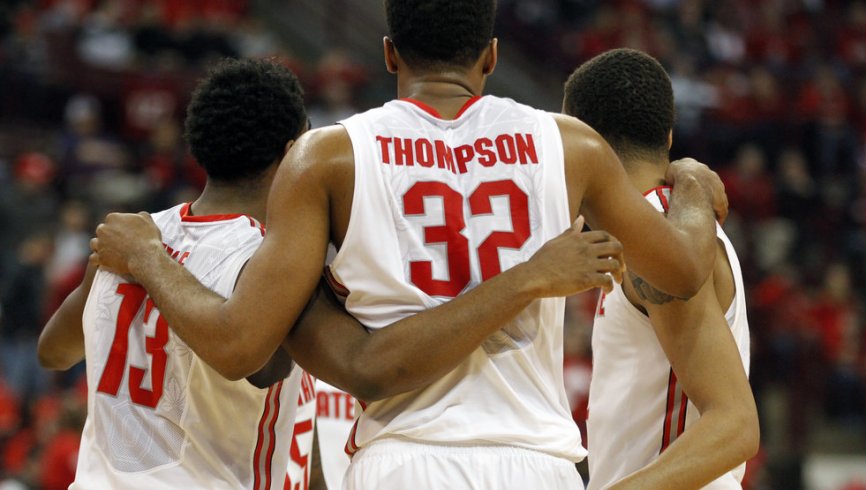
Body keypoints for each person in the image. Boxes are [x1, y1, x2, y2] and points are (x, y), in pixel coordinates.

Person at [90, 1, 729, 488]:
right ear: (492, 56)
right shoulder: (569, 143)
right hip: (538, 463)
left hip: (404, 457)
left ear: (390, 54)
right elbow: (684, 268)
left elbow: (239, 343)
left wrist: (148, 255)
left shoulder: (325, 157)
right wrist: (695, 184)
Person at [37, 58, 308, 489]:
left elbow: (54, 352)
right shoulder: (268, 258)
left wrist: (107, 273)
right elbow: (258, 363)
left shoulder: (127, 236)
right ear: (294, 151)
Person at [563, 48, 759, 489]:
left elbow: (735, 425)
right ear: (668, 137)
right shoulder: (657, 225)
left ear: (583, 143)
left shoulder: (661, 237)